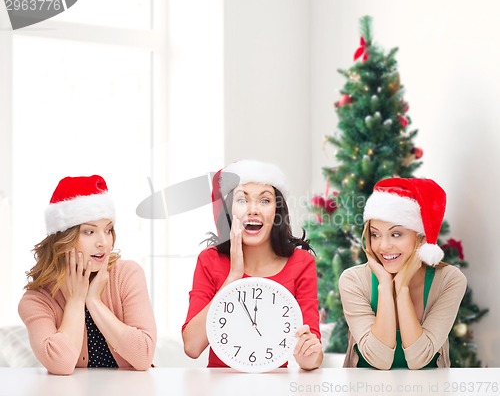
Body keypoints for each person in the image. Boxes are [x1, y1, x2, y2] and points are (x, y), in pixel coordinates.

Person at [182, 160, 323, 370]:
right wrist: (233, 278)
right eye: (242, 200)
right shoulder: (209, 260)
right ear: (229, 211)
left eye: (265, 201)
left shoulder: (301, 263)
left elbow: (313, 353)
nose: (253, 210)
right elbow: (192, 347)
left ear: (277, 211)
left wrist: (309, 356)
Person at [18, 175, 156, 375]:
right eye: (89, 232)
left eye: (108, 230)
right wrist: (76, 301)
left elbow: (143, 356)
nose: (103, 242)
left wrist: (93, 301)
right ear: (64, 238)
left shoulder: (126, 275)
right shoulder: (37, 300)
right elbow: (61, 364)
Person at [339, 177, 467, 369]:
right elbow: (379, 360)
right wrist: (384, 284)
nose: (383, 246)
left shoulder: (449, 280)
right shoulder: (353, 280)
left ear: (422, 238)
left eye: (396, 234)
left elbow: (418, 359)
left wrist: (402, 287)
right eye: (375, 234)